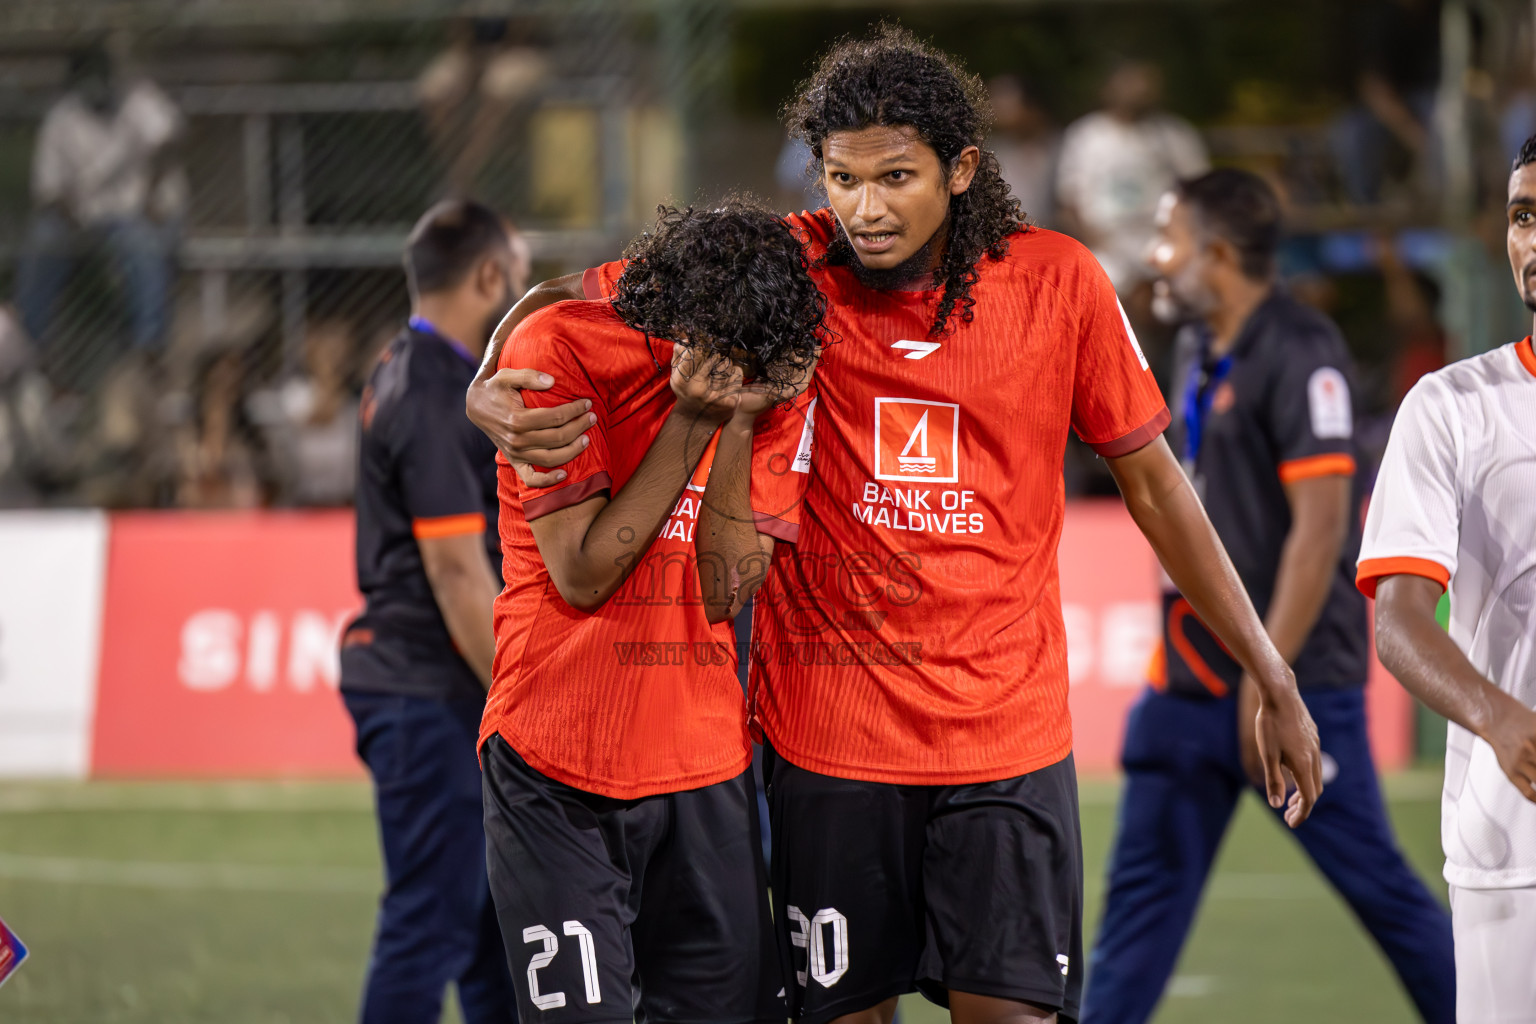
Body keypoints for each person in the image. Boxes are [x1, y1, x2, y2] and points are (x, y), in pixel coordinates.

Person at [469, 27, 1322, 1024]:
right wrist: (481, 383)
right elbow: (597, 292)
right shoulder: (790, 267)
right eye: (841, 177)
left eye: (896, 177)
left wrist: (1269, 667)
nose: (865, 208)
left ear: (961, 170)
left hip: (1005, 737)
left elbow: (1159, 487)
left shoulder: (1061, 283)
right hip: (830, 741)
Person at [1080, 169, 1454, 1024]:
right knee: (1137, 917)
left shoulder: (1301, 348)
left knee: (1382, 895)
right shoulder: (1194, 346)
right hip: (1187, 681)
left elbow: (1320, 530)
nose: (1156, 257)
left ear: (1216, 253)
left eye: (1169, 237)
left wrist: (1267, 672)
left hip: (1294, 686)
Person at [478, 197, 821, 1024]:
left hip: (703, 769)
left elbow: (725, 589)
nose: (740, 371)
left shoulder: (772, 363)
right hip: (555, 761)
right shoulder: (558, 349)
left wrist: (737, 419)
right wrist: (693, 416)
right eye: (726, 358)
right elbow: (582, 573)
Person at [1361, 134, 1536, 1024]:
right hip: (1515, 839)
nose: (1532, 240)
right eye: (1521, 216)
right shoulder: (1452, 405)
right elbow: (1399, 621)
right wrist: (1498, 716)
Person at [338, 199, 526, 1024]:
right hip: (431, 690)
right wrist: (522, 697)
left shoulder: (414, 371)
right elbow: (456, 571)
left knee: (491, 932)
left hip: (430, 686)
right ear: (490, 275)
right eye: (517, 272)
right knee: (433, 925)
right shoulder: (435, 389)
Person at [16, 43, 185, 355]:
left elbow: (168, 143)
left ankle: (148, 346)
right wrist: (73, 218)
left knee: (144, 246)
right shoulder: (61, 118)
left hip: (135, 212)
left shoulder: (138, 100)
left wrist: (151, 194)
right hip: (81, 216)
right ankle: (28, 344)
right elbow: (49, 190)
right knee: (43, 238)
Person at [1055, 59, 1207, 298]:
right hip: (1106, 246)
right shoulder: (1086, 135)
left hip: (1163, 240)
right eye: (1129, 81)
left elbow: (1199, 193)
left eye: (1144, 82)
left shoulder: (1175, 134)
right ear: (1108, 88)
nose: (1138, 89)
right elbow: (1069, 203)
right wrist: (1094, 246)